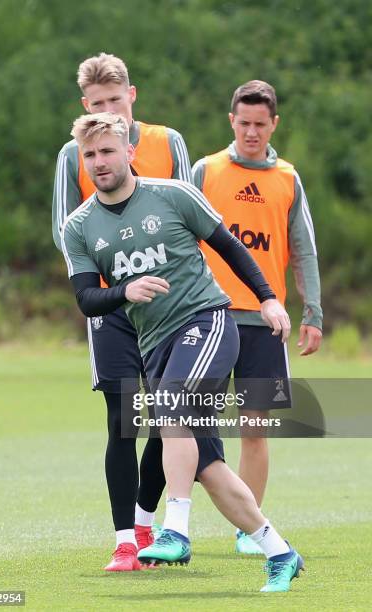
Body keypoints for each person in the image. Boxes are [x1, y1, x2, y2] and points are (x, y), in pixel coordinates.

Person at [61, 111, 304, 593]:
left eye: (107, 151)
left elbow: (231, 248)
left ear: (129, 151)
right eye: (89, 155)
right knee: (209, 467)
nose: (99, 162)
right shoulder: (79, 226)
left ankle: (175, 530)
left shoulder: (173, 195)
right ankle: (281, 553)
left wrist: (269, 298)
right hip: (155, 346)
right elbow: (87, 298)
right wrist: (124, 293)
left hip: (207, 321)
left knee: (170, 405)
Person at [52, 52, 192, 571]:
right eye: (97, 103)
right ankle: (124, 542)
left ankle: (145, 520)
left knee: (166, 418)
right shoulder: (73, 154)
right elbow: (65, 230)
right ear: (84, 106)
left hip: (169, 305)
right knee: (121, 421)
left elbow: (193, 216)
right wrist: (106, 281)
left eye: (115, 100)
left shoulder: (168, 142)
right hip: (110, 307)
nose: (107, 110)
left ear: (131, 97)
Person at [193, 80, 323, 554]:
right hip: (206, 318)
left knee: (254, 426)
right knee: (186, 422)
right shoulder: (205, 170)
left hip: (265, 326)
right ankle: (176, 525)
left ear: (274, 125)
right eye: (243, 123)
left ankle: (250, 531)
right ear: (232, 121)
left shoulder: (287, 178)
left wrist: (313, 312)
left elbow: (303, 250)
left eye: (260, 125)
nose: (251, 132)